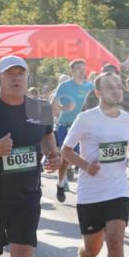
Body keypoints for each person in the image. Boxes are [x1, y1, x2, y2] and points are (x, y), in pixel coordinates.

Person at [0, 56, 60, 257]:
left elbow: (48, 137)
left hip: (27, 196)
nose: (16, 78)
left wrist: (53, 155)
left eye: (21, 73)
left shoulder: (39, 108)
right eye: (10, 73)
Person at [61, 73, 129, 257]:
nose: (116, 91)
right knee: (92, 249)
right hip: (90, 193)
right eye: (109, 88)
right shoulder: (86, 118)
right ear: (98, 93)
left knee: (115, 240)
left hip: (118, 189)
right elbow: (65, 151)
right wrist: (86, 166)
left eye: (118, 87)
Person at [50, 59, 94, 202]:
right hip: (67, 124)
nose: (82, 71)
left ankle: (86, 190)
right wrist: (64, 108)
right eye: (78, 68)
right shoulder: (64, 86)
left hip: (86, 127)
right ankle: (61, 183)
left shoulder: (90, 86)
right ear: (72, 71)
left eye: (83, 68)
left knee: (86, 158)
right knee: (66, 160)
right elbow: (53, 105)